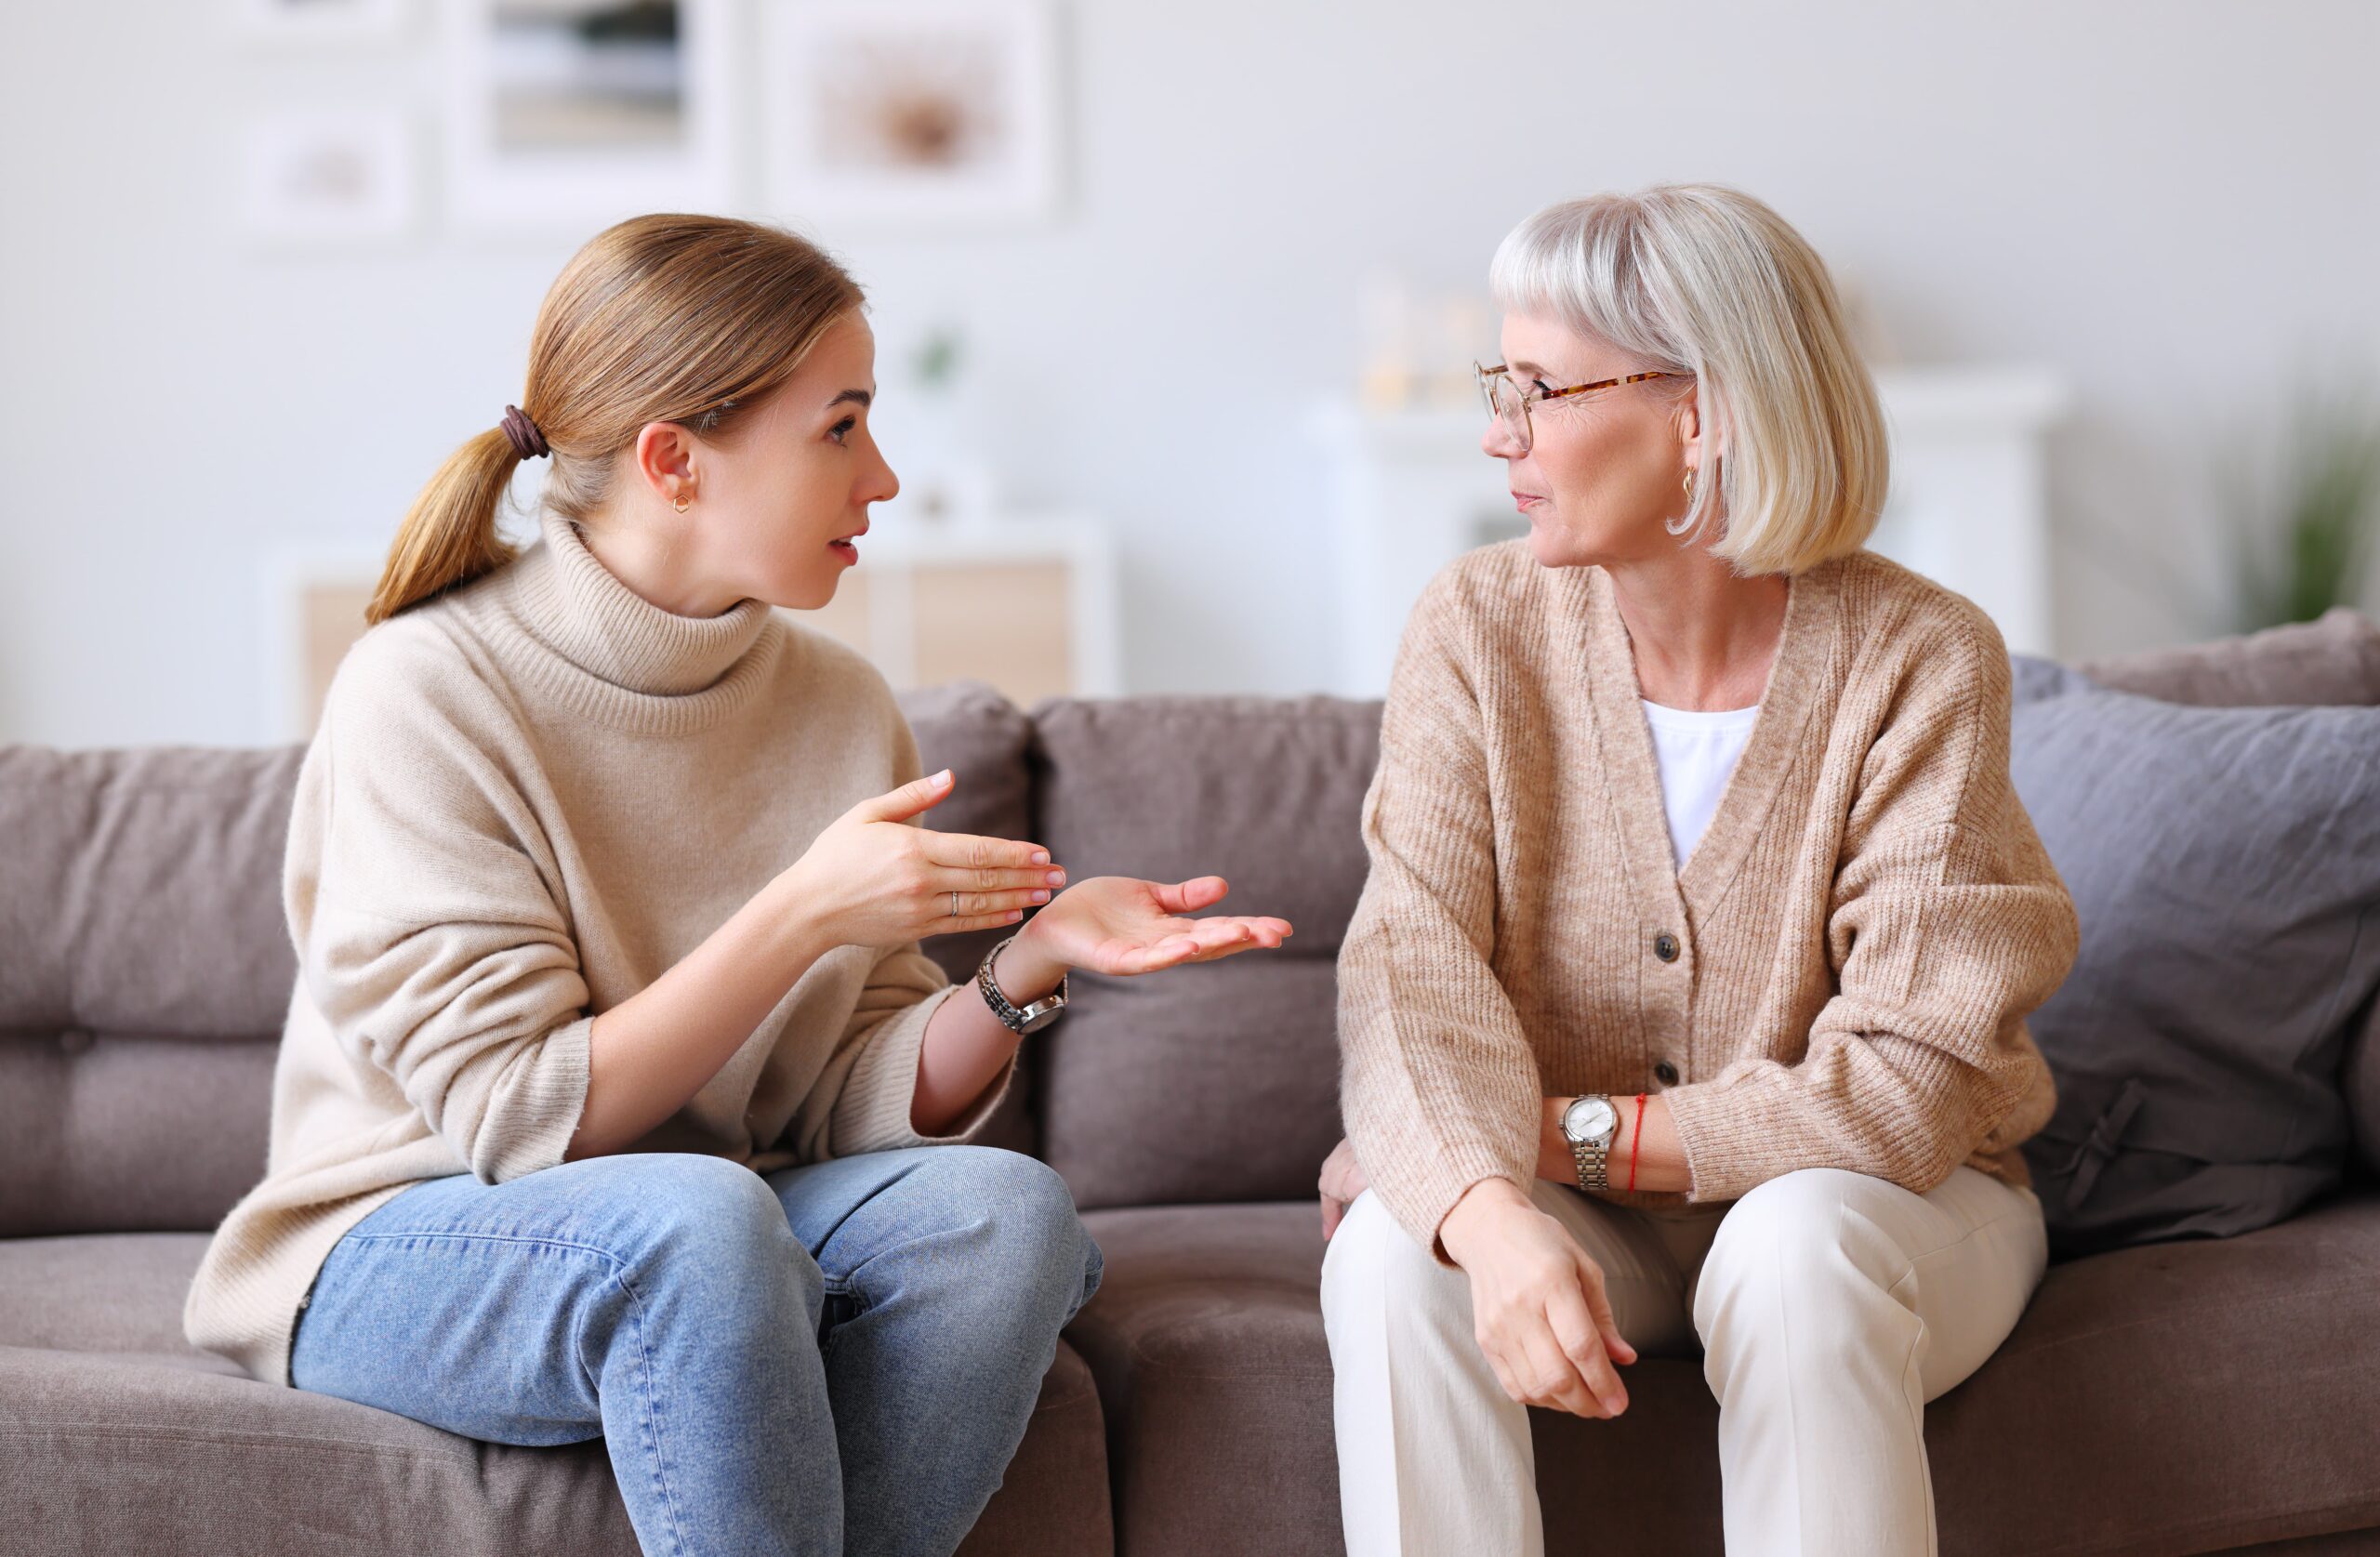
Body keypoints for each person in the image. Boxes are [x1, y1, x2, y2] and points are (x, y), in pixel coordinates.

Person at [183, 212, 1292, 1557]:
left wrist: (1027, 966)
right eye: (840, 428)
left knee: (1008, 1213)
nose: (880, 477)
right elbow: (516, 1117)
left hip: (726, 1220)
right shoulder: (426, 692)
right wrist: (801, 911)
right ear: (675, 461)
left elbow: (844, 1099)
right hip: (406, 1230)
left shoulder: (834, 703)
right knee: (700, 1224)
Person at [1315, 183, 2078, 1557]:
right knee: (1396, 1245)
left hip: (1890, 1223)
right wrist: (1479, 1207)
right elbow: (1407, 972)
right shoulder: (1476, 626)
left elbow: (1904, 1095)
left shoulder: (1920, 656)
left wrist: (1508, 1142)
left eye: (1538, 389)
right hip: (1604, 1240)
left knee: (1791, 1248)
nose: (1499, 433)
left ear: (1701, 413)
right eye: (1504, 384)